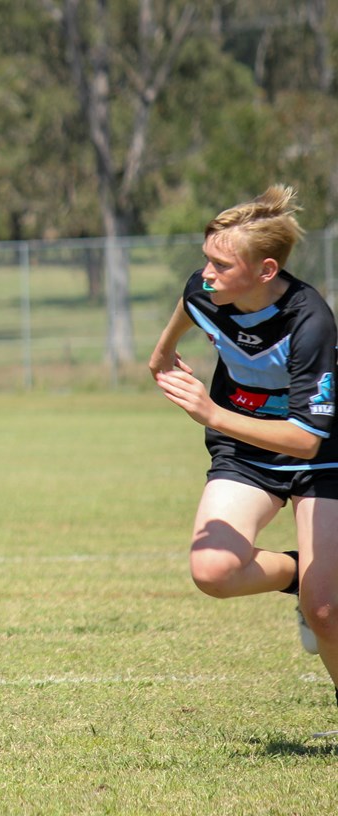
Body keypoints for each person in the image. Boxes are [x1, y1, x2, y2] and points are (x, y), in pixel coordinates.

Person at [148, 184, 338, 716]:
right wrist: (162, 355)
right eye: (206, 259)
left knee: (326, 612)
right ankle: (304, 575)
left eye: (222, 265)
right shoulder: (207, 290)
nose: (207, 273)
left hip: (323, 457)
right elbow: (189, 303)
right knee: (213, 571)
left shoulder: (311, 322)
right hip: (245, 449)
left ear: (266, 270)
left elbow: (306, 439)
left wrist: (211, 413)